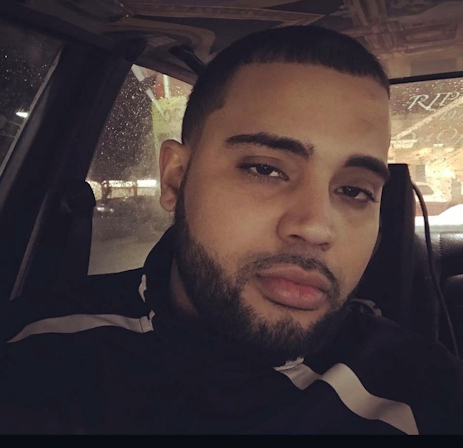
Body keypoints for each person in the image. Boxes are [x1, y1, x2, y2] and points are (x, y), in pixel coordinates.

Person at [1, 25, 462, 435]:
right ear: (176, 179)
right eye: (265, 169)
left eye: (355, 191)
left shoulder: (425, 396)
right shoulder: (30, 348)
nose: (316, 227)